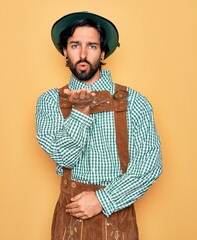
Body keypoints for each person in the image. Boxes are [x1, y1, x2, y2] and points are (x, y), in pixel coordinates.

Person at [35, 11, 162, 240]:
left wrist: (103, 200)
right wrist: (81, 112)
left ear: (103, 52)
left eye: (92, 46)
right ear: (64, 50)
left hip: (118, 224)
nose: (83, 54)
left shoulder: (135, 102)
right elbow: (66, 157)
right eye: (75, 45)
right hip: (68, 224)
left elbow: (150, 165)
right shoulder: (49, 102)